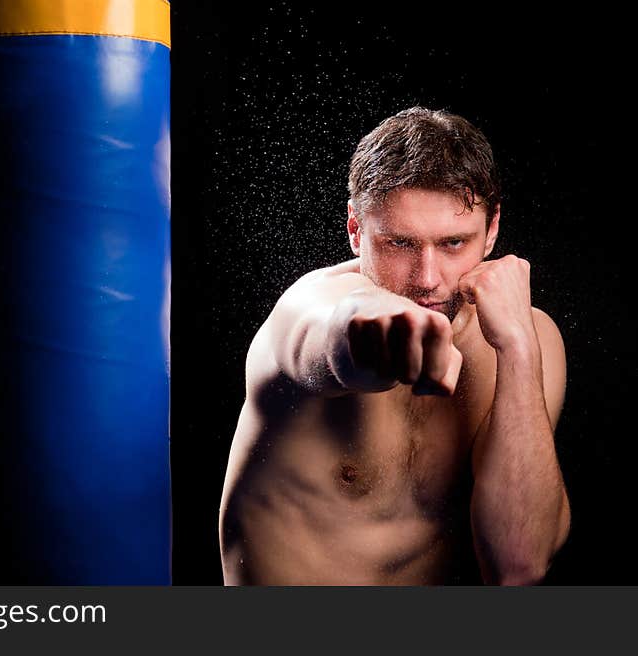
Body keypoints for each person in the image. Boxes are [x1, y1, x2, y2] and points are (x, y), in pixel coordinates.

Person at [218, 107, 570, 585]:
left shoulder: (528, 338)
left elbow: (517, 566)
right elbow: (332, 329)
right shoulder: (308, 305)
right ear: (355, 230)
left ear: (491, 232)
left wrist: (518, 350)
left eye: (452, 243)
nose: (427, 279)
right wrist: (380, 334)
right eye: (399, 244)